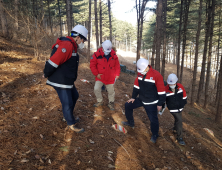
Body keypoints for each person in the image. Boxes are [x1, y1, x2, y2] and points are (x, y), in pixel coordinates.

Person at [43, 25, 88, 133]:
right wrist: (46, 73)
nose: (83, 42)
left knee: (74, 96)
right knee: (67, 102)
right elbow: (54, 61)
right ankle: (70, 123)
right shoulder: (67, 45)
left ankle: (67, 116)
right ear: (78, 37)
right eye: (83, 40)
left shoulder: (72, 45)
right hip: (60, 80)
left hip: (67, 79)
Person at [122, 58, 166, 143]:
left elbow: (161, 91)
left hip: (151, 102)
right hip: (141, 99)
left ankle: (155, 134)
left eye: (141, 70)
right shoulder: (140, 74)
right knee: (128, 105)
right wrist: (133, 97)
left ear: (147, 67)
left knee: (153, 120)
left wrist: (160, 104)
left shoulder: (156, 75)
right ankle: (130, 122)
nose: (140, 72)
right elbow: (136, 87)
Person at [90, 40, 120, 110]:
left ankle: (111, 103)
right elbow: (92, 65)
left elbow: (117, 66)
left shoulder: (114, 55)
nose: (107, 52)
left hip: (110, 77)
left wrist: (117, 74)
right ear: (102, 48)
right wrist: (96, 74)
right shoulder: (96, 55)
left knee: (111, 91)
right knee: (96, 89)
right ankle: (100, 101)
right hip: (100, 77)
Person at [165, 73, 187, 145]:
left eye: (173, 83)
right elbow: (162, 99)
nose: (172, 85)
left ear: (176, 82)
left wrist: (183, 104)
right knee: (179, 120)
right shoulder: (166, 89)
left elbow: (184, 96)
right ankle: (180, 137)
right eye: (170, 84)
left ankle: (175, 129)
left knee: (178, 120)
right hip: (172, 109)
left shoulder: (180, 86)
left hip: (180, 107)